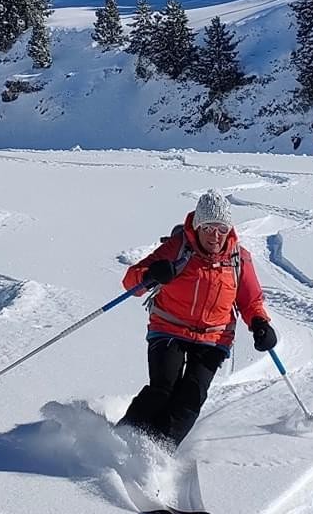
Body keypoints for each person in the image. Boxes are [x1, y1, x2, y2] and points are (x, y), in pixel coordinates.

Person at [117, 190, 276, 447]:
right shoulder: (177, 249)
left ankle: (158, 450)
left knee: (190, 397)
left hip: (214, 336)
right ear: (197, 226)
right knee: (162, 389)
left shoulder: (239, 258)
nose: (215, 236)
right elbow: (131, 282)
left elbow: (251, 300)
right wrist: (151, 274)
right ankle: (121, 440)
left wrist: (260, 323)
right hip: (169, 328)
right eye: (209, 228)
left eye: (222, 228)